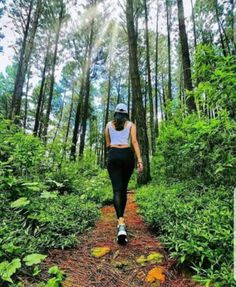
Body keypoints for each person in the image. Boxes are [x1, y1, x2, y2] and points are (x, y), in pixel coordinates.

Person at [105, 103, 143, 244]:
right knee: (124, 190)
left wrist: (113, 152)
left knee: (116, 189)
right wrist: (139, 160)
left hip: (113, 155)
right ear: (126, 114)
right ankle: (121, 222)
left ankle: (120, 222)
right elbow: (134, 141)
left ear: (115, 113)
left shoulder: (108, 125)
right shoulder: (131, 125)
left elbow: (108, 144)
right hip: (127, 155)